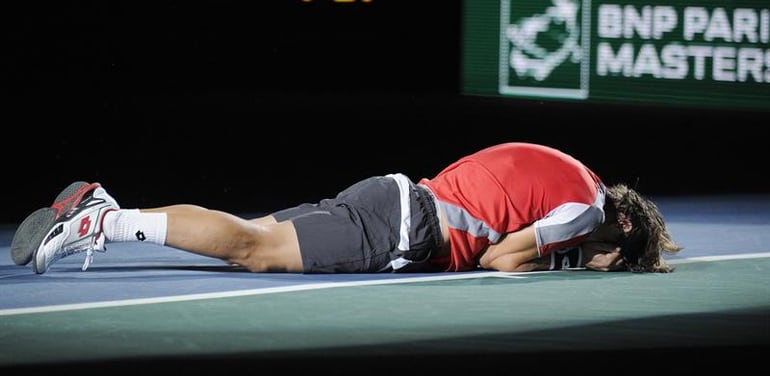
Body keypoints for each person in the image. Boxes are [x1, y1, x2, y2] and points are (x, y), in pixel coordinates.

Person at [10, 142, 682, 275]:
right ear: (620, 230)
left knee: (252, 238)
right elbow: (505, 259)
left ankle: (110, 216)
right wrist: (550, 262)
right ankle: (104, 217)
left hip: (394, 196)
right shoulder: (585, 211)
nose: (597, 263)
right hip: (406, 226)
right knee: (254, 249)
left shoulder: (571, 168)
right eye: (609, 262)